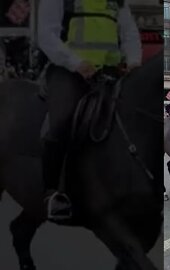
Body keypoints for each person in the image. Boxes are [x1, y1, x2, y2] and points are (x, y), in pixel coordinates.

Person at [37, 0, 142, 221]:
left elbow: (129, 33)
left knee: (135, 118)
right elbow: (46, 35)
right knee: (62, 121)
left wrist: (133, 61)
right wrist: (76, 63)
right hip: (69, 71)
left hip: (110, 73)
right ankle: (53, 193)